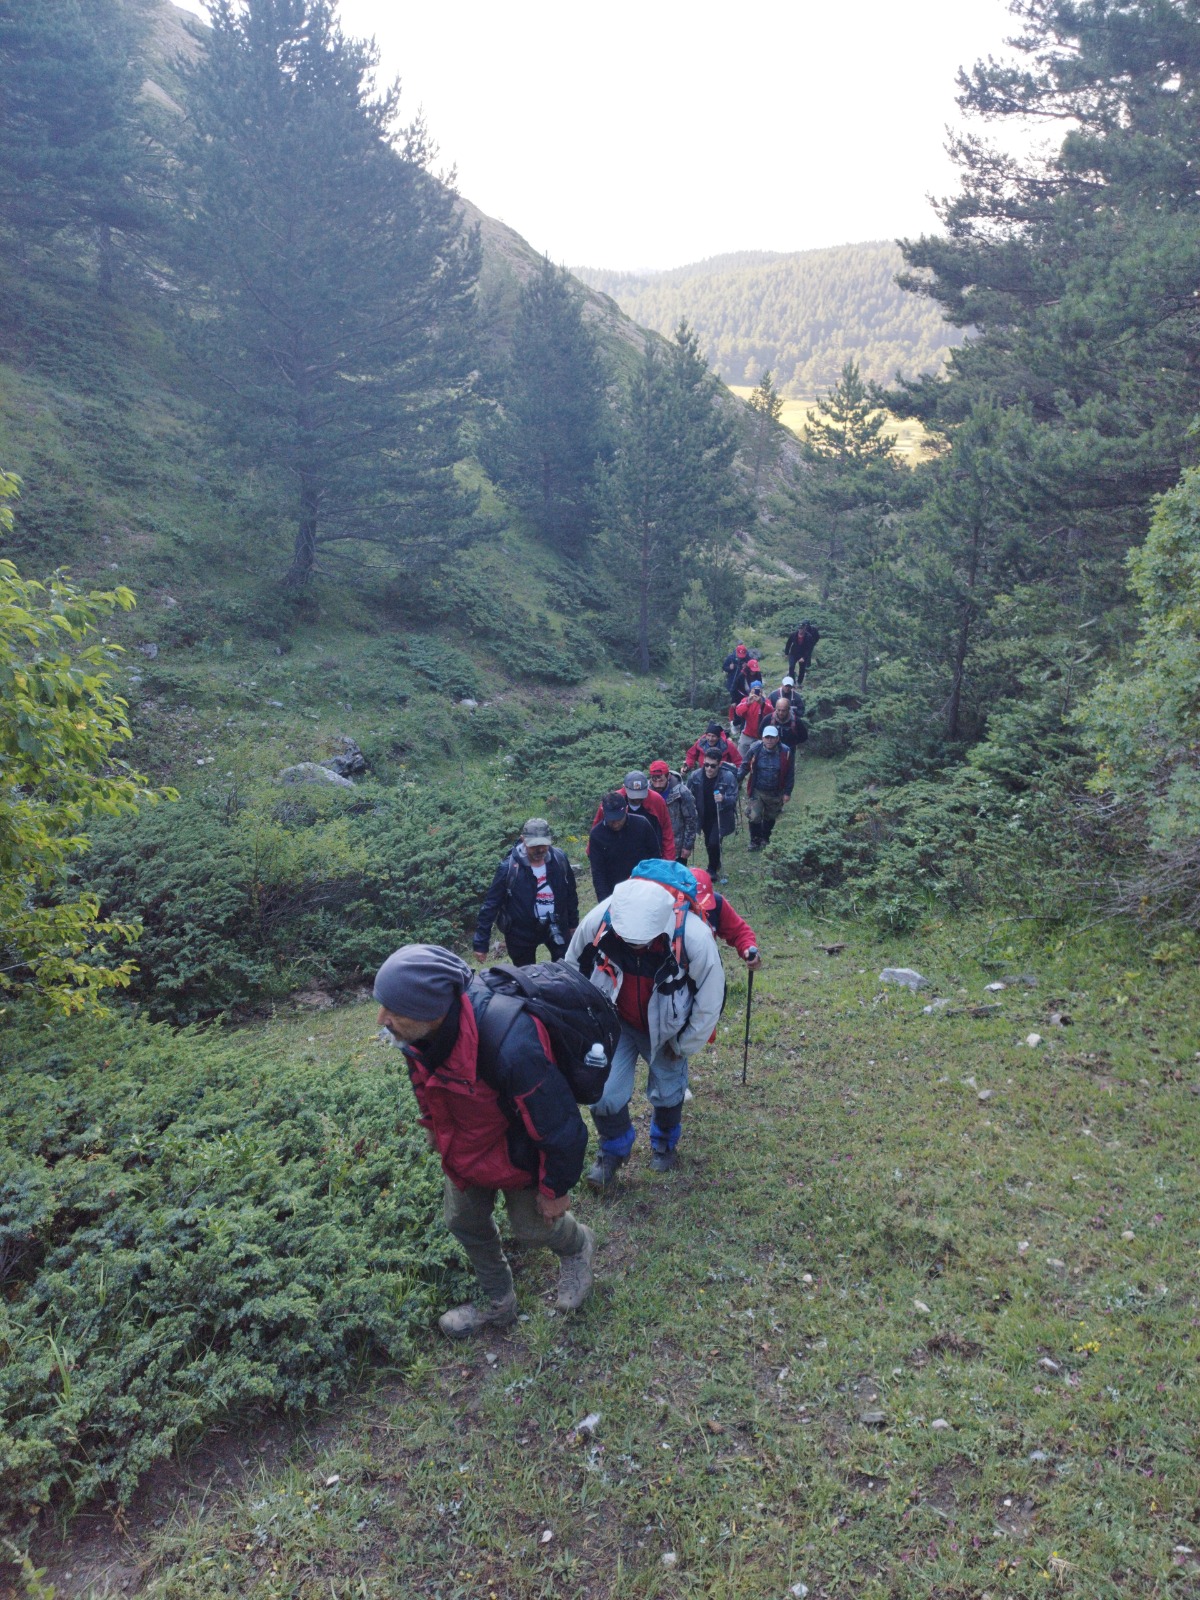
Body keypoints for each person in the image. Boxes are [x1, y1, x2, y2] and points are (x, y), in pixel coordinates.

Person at [374, 943, 595, 1336]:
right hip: (467, 1147)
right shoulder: (416, 1036)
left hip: (520, 1151)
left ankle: (577, 1247)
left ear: (432, 1010)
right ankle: (499, 1302)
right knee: (462, 1219)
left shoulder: (511, 1042)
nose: (382, 1019)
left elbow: (560, 1125)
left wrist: (555, 1187)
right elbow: (422, 1084)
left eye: (393, 1010)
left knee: (532, 1228)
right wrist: (433, 1127)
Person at [567, 877, 725, 1183]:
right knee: (602, 1092)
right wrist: (585, 1027)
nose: (633, 945)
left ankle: (664, 1145)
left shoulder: (694, 937)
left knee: (667, 1091)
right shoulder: (599, 920)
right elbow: (572, 970)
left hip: (667, 1031)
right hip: (615, 1021)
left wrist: (684, 1044)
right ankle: (613, 1149)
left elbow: (711, 1000)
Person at [472, 818, 579, 966]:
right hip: (521, 933)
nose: (540, 849)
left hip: (557, 924)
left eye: (543, 844)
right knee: (526, 977)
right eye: (534, 845)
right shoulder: (509, 868)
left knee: (566, 968)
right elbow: (491, 904)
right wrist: (481, 942)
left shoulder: (559, 859)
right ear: (523, 840)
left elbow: (570, 893)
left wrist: (573, 923)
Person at [587, 792, 660, 901]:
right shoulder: (597, 835)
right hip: (614, 892)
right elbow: (598, 873)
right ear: (603, 812)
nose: (615, 824)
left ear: (626, 810)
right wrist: (604, 902)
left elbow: (655, 859)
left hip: (644, 888)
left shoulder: (642, 825)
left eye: (619, 819)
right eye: (611, 820)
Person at [590, 770, 676, 859]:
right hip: (618, 854)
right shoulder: (613, 801)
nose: (637, 798)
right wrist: (591, 852)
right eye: (633, 795)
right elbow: (597, 827)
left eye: (641, 794)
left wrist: (668, 862)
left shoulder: (656, 800)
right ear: (624, 788)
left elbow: (667, 832)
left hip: (649, 854)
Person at [690, 867, 761, 967]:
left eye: (704, 903)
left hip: (708, 964)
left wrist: (748, 948)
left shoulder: (717, 903)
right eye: (693, 904)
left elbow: (739, 931)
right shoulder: (669, 907)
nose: (699, 909)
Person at [739, 724, 794, 850]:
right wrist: (737, 779)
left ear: (777, 739)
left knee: (770, 816)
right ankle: (754, 840)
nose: (769, 740)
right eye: (767, 737)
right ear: (762, 738)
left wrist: (787, 792)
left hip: (776, 792)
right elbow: (745, 765)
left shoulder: (785, 752)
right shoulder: (755, 749)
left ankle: (765, 838)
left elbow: (790, 773)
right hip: (757, 790)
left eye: (772, 737)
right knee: (754, 816)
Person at [686, 748, 739, 877]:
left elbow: (734, 798)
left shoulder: (728, 777)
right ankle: (715, 861)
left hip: (721, 815)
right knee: (708, 842)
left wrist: (723, 798)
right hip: (703, 816)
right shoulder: (695, 776)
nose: (709, 769)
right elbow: (687, 793)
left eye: (713, 766)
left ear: (719, 764)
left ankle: (712, 870)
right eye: (706, 765)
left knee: (713, 842)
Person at [649, 760, 698, 863]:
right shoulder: (646, 793)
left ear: (668, 776)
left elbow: (691, 820)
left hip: (677, 847)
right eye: (654, 780)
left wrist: (687, 846)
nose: (657, 784)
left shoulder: (682, 792)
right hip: (654, 846)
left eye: (660, 780)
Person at [733, 679, 775, 757]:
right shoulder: (745, 700)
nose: (756, 691)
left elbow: (771, 712)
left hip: (761, 736)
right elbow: (738, 712)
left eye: (758, 689)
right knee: (740, 756)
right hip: (747, 734)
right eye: (754, 689)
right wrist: (747, 704)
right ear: (751, 690)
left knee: (759, 758)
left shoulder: (766, 701)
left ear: (761, 691)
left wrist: (762, 703)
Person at [784, 621, 820, 686]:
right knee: (791, 667)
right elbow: (788, 643)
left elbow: (809, 649)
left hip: (803, 654)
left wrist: (803, 657)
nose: (800, 630)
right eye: (799, 628)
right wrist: (786, 653)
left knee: (802, 669)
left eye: (801, 628)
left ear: (804, 629)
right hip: (793, 653)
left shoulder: (809, 637)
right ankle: (792, 681)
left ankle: (799, 682)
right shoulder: (793, 634)